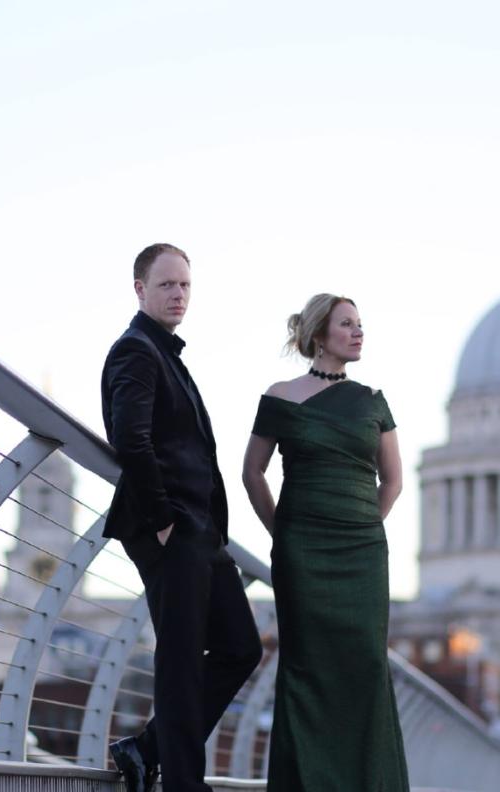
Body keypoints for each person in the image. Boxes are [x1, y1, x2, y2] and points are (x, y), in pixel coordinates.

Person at [101, 243, 263, 792]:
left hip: (200, 532)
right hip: (171, 528)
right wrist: (165, 521)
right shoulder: (135, 351)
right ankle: (183, 786)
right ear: (140, 289)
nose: (178, 294)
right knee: (181, 662)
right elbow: (130, 439)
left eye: (185, 285)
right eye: (167, 284)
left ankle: (147, 750)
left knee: (241, 647)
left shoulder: (164, 353)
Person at [241, 293, 409, 791]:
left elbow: (393, 481)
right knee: (306, 668)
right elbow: (252, 473)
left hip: (362, 556)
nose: (358, 332)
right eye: (347, 324)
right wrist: (284, 535)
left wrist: (362, 527)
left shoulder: (372, 401)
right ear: (319, 335)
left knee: (365, 668)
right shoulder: (279, 396)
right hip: (302, 554)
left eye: (360, 325)